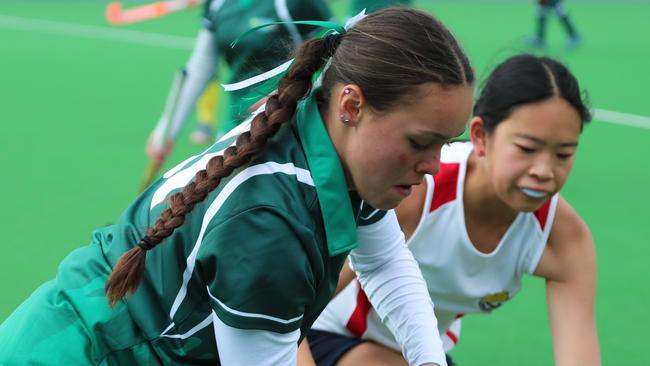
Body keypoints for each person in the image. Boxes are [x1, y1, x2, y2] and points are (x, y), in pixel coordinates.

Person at [0, 7, 475, 366]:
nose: (435, 166)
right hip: (77, 352)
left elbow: (386, 261)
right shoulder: (268, 224)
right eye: (421, 142)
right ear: (352, 105)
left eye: (445, 144)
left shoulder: (332, 140)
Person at [303, 54, 600, 366]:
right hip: (322, 338)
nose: (544, 171)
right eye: (527, 149)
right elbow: (287, 317)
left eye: (563, 154)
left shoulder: (562, 237)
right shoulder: (412, 193)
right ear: (480, 137)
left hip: (419, 356)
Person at [147, 0, 333, 166]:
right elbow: (202, 65)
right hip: (234, 126)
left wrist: (288, 91)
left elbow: (333, 53)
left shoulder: (299, 3)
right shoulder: (216, 3)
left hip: (288, 127)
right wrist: (168, 129)